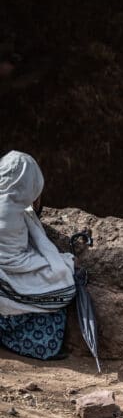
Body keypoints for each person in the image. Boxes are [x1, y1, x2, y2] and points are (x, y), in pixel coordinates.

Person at [0, 151, 75, 360]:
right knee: (64, 286)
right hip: (6, 282)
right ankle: (33, 344)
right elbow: (16, 261)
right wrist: (66, 262)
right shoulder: (11, 210)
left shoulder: (10, 203)